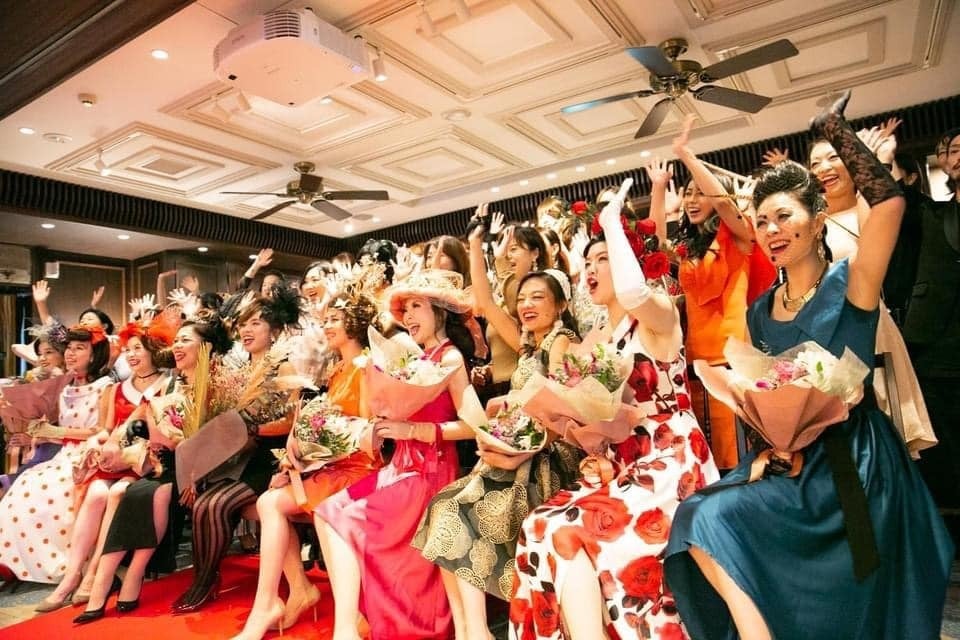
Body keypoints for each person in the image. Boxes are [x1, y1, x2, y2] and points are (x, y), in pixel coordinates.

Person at [663, 92, 954, 640]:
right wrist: (765, 449)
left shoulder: (853, 282)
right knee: (696, 518)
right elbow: (765, 393)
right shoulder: (759, 311)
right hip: (793, 462)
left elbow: (889, 206)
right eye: (761, 221)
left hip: (855, 461)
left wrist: (834, 128)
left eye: (784, 216)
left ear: (818, 221)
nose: (771, 230)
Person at [508, 191, 719, 639]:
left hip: (670, 458)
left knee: (565, 529)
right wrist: (577, 432)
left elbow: (634, 292)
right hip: (620, 462)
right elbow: (584, 411)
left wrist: (611, 224)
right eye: (587, 262)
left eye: (602, 258)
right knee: (536, 524)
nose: (590, 269)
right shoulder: (595, 338)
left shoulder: (659, 316)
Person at [413, 254, 583, 640]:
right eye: (522, 298)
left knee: (455, 510)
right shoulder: (530, 346)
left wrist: (520, 426)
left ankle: (476, 630)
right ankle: (469, 629)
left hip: (546, 459)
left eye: (538, 297)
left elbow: (564, 406)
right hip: (517, 452)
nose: (526, 305)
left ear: (560, 305)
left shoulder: (561, 342)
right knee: (443, 508)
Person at [314, 269, 479, 640]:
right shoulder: (415, 358)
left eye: (417, 306)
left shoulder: (450, 358)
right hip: (400, 466)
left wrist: (415, 431)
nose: (408, 316)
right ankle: (349, 625)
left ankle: (346, 630)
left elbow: (475, 425)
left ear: (440, 311)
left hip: (429, 473)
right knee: (327, 513)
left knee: (343, 518)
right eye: (405, 309)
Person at [229, 288, 383, 640]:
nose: (326, 326)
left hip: (358, 468)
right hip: (333, 465)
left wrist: (313, 452)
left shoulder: (366, 367)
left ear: (354, 324)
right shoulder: (338, 369)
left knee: (276, 504)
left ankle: (287, 600)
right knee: (268, 501)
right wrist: (299, 457)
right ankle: (282, 595)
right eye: (325, 319)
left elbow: (365, 429)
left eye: (334, 319)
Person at [73, 319, 231, 623]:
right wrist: (116, 440)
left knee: (153, 493)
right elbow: (143, 411)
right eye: (177, 340)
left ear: (206, 347)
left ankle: (130, 575)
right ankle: (103, 580)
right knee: (135, 492)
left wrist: (185, 452)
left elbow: (220, 439)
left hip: (201, 469)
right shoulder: (172, 383)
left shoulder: (217, 386)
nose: (177, 346)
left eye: (186, 340)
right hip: (165, 462)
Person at [808, 122, 934, 457]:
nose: (823, 168)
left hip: (867, 325)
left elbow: (873, 241)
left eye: (833, 157)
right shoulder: (807, 221)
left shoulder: (863, 205)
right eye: (815, 163)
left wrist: (873, 160)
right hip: (821, 331)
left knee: (882, 427)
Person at [37, 320, 174, 611]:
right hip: (113, 459)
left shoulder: (168, 385)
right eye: (127, 350)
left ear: (153, 350)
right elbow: (105, 429)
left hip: (145, 462)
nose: (131, 355)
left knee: (116, 494)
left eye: (138, 348)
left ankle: (95, 573)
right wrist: (94, 445)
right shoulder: (115, 389)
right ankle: (71, 576)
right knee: (97, 492)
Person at [669, 116, 776, 470]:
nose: (692, 199)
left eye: (699, 192)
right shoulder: (688, 249)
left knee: (740, 455)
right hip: (694, 361)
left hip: (732, 358)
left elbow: (726, 205)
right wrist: (658, 189)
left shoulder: (739, 237)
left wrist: (686, 156)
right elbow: (655, 240)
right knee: (707, 460)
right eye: (687, 193)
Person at [0, 326, 113, 584]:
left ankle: (56, 562)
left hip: (89, 454)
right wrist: (39, 434)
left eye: (79, 348)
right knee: (25, 483)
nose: (71, 353)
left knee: (51, 490)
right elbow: (60, 434)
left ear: (94, 355)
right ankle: (13, 560)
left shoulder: (105, 386)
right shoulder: (64, 388)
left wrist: (57, 431)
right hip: (63, 454)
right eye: (69, 348)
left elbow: (101, 430)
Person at [904, 126, 960, 546]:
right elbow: (891, 198)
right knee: (944, 452)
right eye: (953, 149)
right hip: (936, 348)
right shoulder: (931, 214)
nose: (959, 155)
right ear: (943, 160)